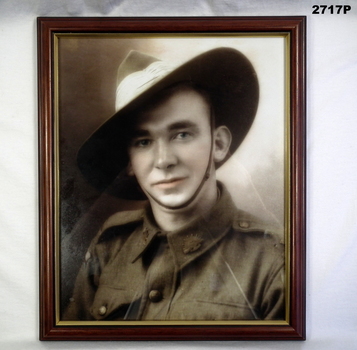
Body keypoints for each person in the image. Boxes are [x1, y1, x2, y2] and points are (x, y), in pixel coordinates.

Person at [63, 47, 285, 321]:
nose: (164, 160)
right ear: (130, 162)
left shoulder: (277, 261)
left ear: (218, 144)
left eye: (182, 134)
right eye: (143, 142)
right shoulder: (110, 245)